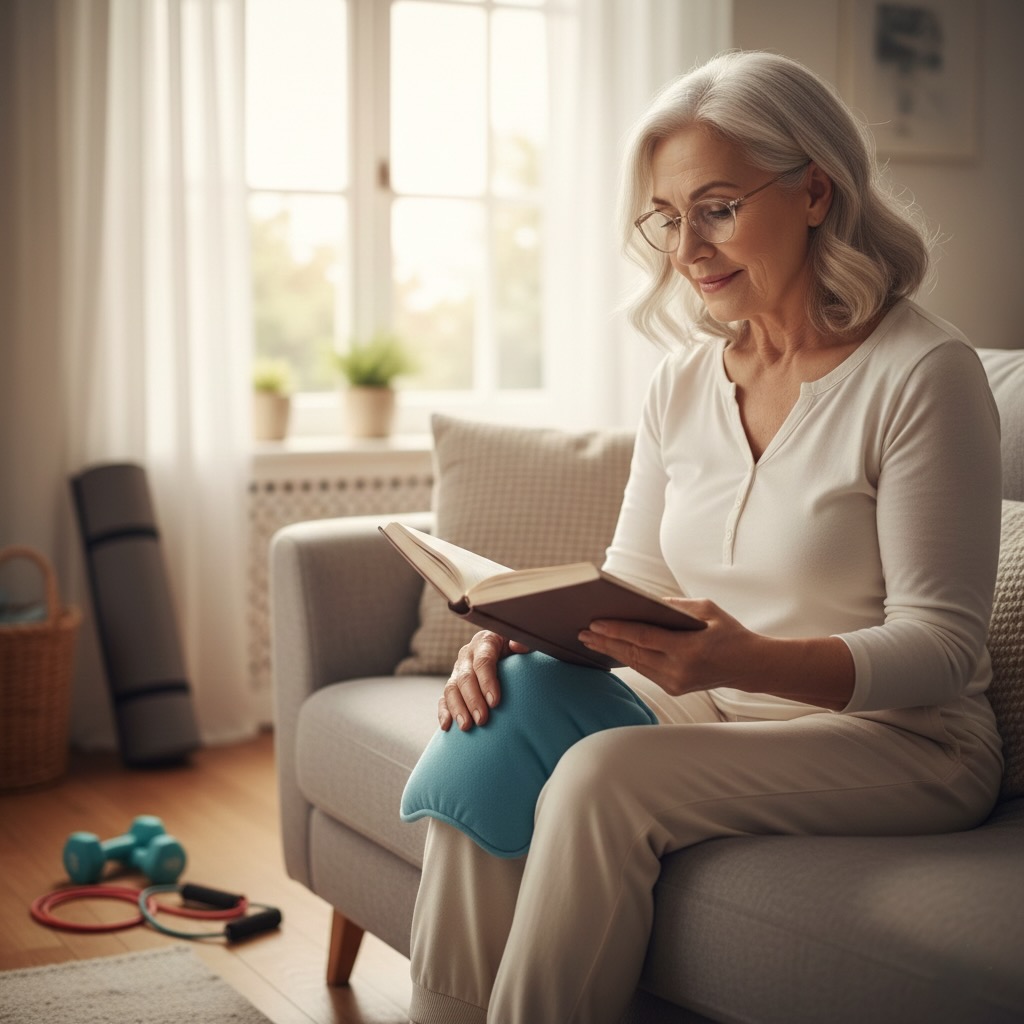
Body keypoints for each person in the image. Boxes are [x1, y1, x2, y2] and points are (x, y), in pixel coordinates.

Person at [408, 50, 1004, 1024]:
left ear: (814, 190)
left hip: (904, 742)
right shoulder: (683, 383)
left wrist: (748, 658)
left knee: (606, 777)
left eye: (717, 207)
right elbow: (633, 581)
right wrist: (519, 629)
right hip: (719, 703)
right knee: (498, 715)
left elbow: (941, 651)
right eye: (667, 217)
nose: (686, 248)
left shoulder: (920, 374)